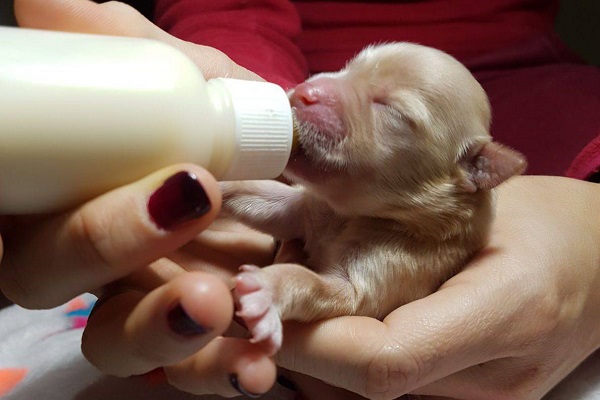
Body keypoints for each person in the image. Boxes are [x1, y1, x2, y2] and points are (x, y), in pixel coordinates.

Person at [1, 0, 599, 398]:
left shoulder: (417, 234)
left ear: (473, 172)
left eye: (387, 110)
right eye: (343, 73)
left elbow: (344, 292)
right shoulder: (352, 191)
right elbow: (278, 201)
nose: (316, 92)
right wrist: (213, 155)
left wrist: (589, 215)